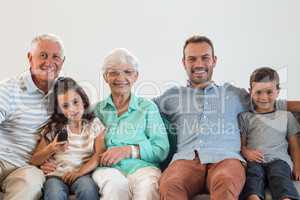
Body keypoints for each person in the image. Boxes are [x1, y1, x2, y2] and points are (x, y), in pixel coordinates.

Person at [155, 35, 300, 200]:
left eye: (205, 58)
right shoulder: (173, 95)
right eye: (192, 59)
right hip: (187, 159)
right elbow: (141, 108)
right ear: (184, 63)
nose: (199, 64)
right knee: (170, 184)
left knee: (226, 181)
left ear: (214, 61)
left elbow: (270, 102)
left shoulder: (233, 93)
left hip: (226, 159)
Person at [92, 48, 170, 200]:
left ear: (136, 76)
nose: (121, 78)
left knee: (148, 187)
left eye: (128, 72)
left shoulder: (147, 107)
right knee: (115, 187)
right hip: (108, 170)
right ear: (105, 77)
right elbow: (78, 142)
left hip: (143, 168)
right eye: (114, 72)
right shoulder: (96, 110)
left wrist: (129, 150)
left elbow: (161, 148)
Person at [0, 33, 65, 200]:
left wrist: (57, 161)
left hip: (26, 166)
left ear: (62, 62)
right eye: (43, 55)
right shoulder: (9, 89)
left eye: (55, 57)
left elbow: (78, 127)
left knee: (31, 183)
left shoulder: (63, 94)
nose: (49, 62)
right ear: (30, 58)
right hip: (2, 158)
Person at [31, 77, 105, 200]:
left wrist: (79, 172)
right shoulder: (54, 128)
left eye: (75, 102)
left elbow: (99, 154)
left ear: (83, 101)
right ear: (59, 110)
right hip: (56, 176)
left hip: (83, 174)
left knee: (88, 189)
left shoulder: (94, 124)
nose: (72, 109)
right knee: (54, 194)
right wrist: (51, 148)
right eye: (65, 106)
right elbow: (35, 160)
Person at [239, 67, 300, 200]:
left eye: (269, 92)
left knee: (280, 178)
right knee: (252, 179)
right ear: (250, 92)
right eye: (258, 92)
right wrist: (246, 152)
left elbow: (294, 145)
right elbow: (241, 144)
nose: (264, 97)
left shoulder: (286, 116)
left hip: (279, 160)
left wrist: (297, 167)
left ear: (278, 92)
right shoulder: (245, 117)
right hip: (254, 161)